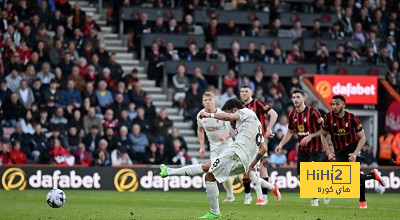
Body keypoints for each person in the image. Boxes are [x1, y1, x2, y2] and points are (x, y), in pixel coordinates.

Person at [160, 98, 281, 218]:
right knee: (208, 169)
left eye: (229, 112)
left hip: (236, 154)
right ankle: (169, 171)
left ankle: (215, 212)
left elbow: (228, 117)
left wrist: (209, 114)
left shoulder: (246, 112)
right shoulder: (255, 124)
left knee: (209, 173)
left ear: (234, 110)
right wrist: (251, 165)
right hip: (243, 160)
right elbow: (263, 148)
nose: (228, 116)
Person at [320, 95, 385, 209]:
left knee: (357, 175)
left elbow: (362, 138)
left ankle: (362, 202)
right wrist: (329, 152)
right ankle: (373, 175)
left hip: (352, 147)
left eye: (337, 104)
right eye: (333, 104)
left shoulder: (352, 118)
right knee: (347, 178)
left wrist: (355, 153)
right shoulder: (328, 118)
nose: (334, 106)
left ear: (343, 105)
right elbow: (323, 135)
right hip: (339, 150)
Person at [275, 89, 326, 206]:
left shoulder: (314, 113)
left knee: (311, 172)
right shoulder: (292, 114)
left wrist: (311, 136)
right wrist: (281, 144)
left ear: (304, 98)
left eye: (298, 97)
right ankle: (324, 190)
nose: (295, 99)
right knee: (301, 177)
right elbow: (289, 131)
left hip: (316, 148)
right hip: (303, 150)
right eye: (293, 97)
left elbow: (324, 129)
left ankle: (315, 199)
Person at [240, 85, 278, 205]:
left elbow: (274, 114)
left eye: (246, 91)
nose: (244, 93)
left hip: (259, 140)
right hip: (246, 142)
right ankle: (248, 196)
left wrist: (269, 128)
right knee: (246, 170)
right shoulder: (240, 107)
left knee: (262, 168)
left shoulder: (257, 103)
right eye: (242, 91)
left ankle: (264, 197)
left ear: (251, 92)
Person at [197, 92, 235, 202]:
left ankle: (229, 195)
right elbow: (200, 130)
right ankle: (227, 195)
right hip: (213, 147)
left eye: (210, 99)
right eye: (205, 100)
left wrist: (225, 136)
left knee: (221, 170)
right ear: (203, 102)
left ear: (214, 101)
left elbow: (232, 130)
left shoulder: (222, 114)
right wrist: (202, 146)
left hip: (226, 145)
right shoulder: (200, 115)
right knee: (214, 170)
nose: (207, 102)